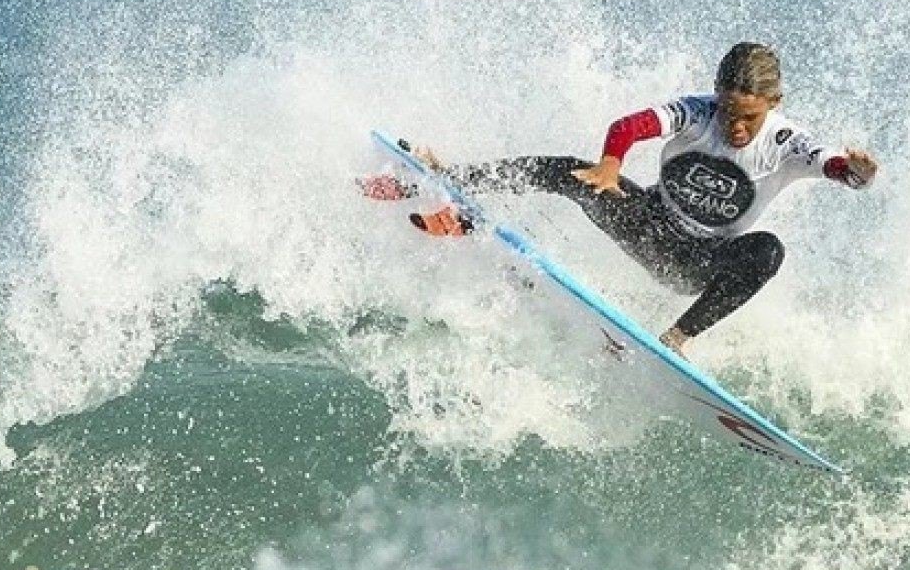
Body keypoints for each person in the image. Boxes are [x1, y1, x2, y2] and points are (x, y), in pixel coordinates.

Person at [364, 42, 878, 351]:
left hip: (698, 263)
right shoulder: (698, 112)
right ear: (716, 94)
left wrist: (855, 172)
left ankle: (675, 340)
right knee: (570, 170)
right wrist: (610, 166)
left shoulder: (788, 141)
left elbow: (837, 169)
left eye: (751, 116)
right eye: (730, 112)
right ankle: (448, 185)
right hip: (648, 223)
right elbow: (630, 125)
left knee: (768, 251)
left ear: (774, 103)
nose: (738, 127)